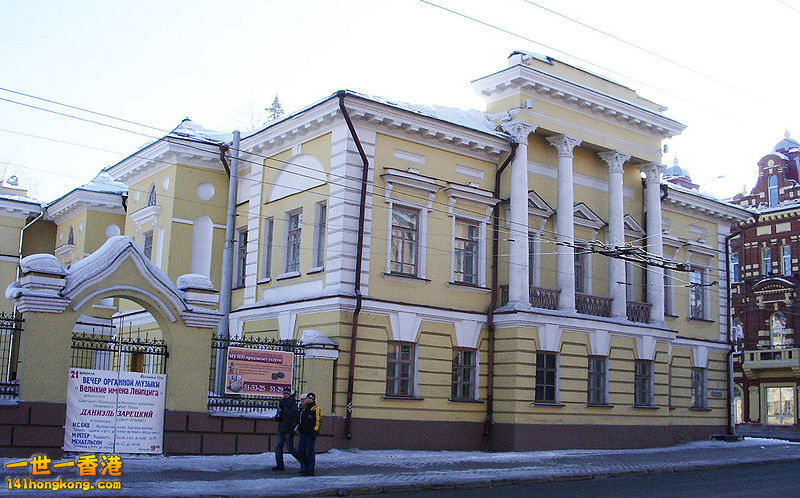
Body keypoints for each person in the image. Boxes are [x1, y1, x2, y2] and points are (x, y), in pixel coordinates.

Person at [272, 387, 299, 471]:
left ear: (289, 394)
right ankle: (279, 465)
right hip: (281, 428)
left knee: (290, 448)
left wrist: (284, 409)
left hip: (289, 429)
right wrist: (277, 417)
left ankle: (303, 461)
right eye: (284, 393)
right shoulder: (281, 403)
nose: (285, 395)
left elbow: (292, 414)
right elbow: (280, 413)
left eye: (286, 393)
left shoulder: (293, 403)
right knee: (278, 447)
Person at [296, 392, 321, 476]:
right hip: (303, 433)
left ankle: (310, 469)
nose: (308, 399)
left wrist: (315, 431)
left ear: (313, 399)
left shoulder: (315, 409)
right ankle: (305, 466)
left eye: (310, 398)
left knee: (310, 451)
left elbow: (318, 421)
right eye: (307, 398)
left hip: (310, 433)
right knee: (300, 450)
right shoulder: (304, 408)